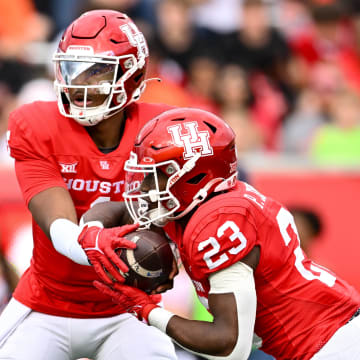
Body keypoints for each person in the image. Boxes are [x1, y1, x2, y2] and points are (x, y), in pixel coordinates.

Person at [87, 107, 360, 360]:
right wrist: (90, 234)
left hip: (334, 346)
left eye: (157, 173)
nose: (145, 186)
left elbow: (230, 345)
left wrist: (147, 310)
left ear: (192, 175)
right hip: (330, 338)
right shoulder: (200, 204)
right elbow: (117, 210)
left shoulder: (216, 222)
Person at [0, 9, 177, 360]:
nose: (80, 83)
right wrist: (95, 240)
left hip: (129, 309)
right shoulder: (36, 123)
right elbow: (60, 227)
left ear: (133, 74)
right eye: (73, 69)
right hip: (47, 304)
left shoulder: (164, 129)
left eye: (97, 71)